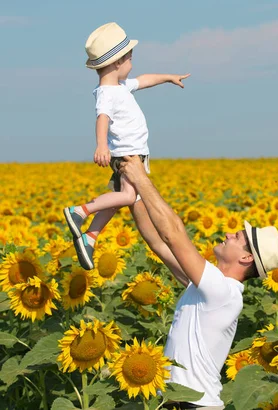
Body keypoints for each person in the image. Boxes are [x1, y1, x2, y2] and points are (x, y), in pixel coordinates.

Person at [119, 155, 278, 409]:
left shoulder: (224, 293)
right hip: (177, 403)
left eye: (237, 236)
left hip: (197, 406)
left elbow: (173, 234)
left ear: (246, 257)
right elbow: (158, 243)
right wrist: (133, 195)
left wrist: (141, 176)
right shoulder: (207, 287)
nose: (228, 233)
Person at [63, 22, 190, 270]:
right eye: (130, 59)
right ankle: (79, 211)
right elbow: (102, 119)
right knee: (128, 196)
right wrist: (101, 145)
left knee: (117, 198)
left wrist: (168, 78)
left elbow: (143, 80)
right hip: (128, 157)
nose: (133, 65)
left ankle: (90, 237)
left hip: (133, 154)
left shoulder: (120, 86)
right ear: (117, 62)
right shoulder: (107, 93)